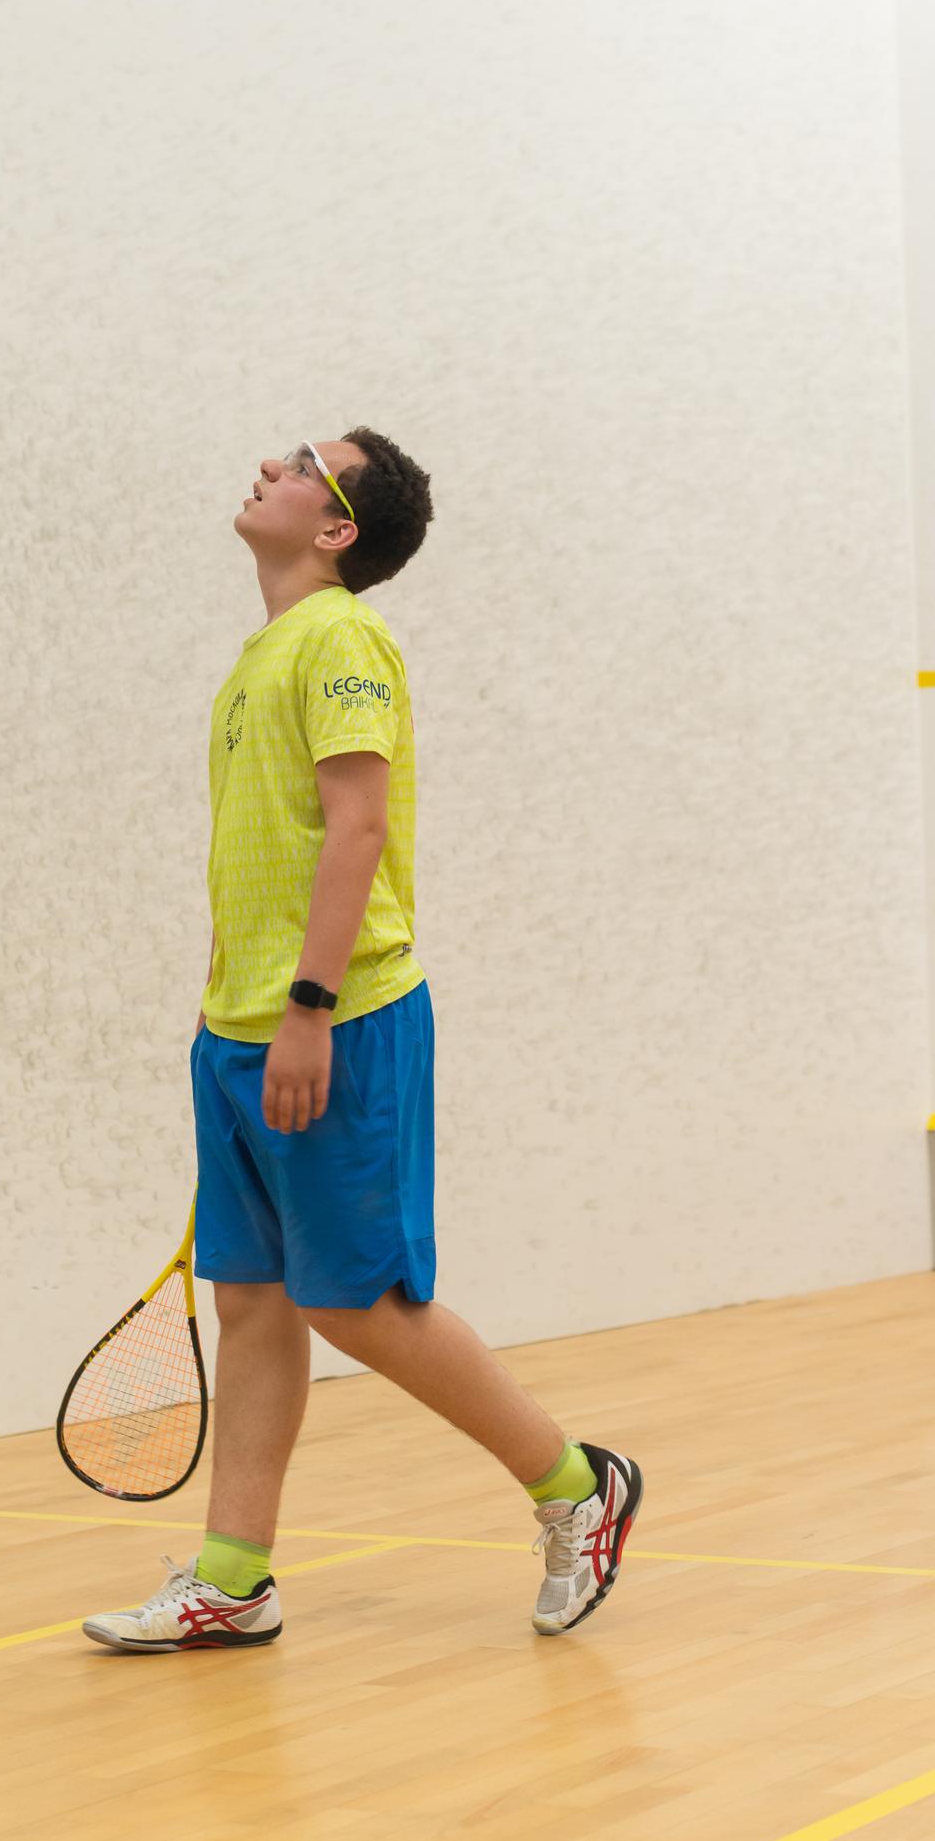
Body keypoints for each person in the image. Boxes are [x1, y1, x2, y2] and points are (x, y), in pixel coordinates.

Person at [82, 432, 643, 1653]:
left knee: (359, 1303)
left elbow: (357, 828)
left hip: (334, 1020)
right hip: (238, 1030)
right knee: (251, 1303)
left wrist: (307, 1008)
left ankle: (574, 1484)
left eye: (301, 465)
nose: (268, 464)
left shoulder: (341, 638)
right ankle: (234, 1578)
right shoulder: (261, 655)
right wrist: (220, 1014)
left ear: (336, 530)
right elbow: (258, 846)